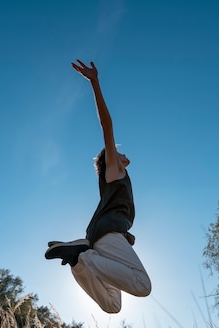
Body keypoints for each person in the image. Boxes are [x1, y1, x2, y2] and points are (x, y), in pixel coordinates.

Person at [44, 60, 152, 314]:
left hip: (101, 238)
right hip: (107, 236)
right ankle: (85, 256)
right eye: (117, 152)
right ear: (110, 158)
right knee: (143, 286)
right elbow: (107, 126)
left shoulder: (113, 178)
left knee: (113, 305)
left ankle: (78, 261)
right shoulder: (114, 170)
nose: (123, 154)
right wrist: (95, 83)